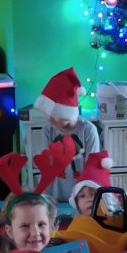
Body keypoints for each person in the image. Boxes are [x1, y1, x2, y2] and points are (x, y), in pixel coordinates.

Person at [34, 67, 100, 202]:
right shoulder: (48, 129)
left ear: (66, 113)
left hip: (82, 197)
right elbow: (47, 165)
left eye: (54, 115)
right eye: (48, 114)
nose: (49, 119)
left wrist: (86, 200)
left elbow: (92, 169)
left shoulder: (88, 130)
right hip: (55, 196)